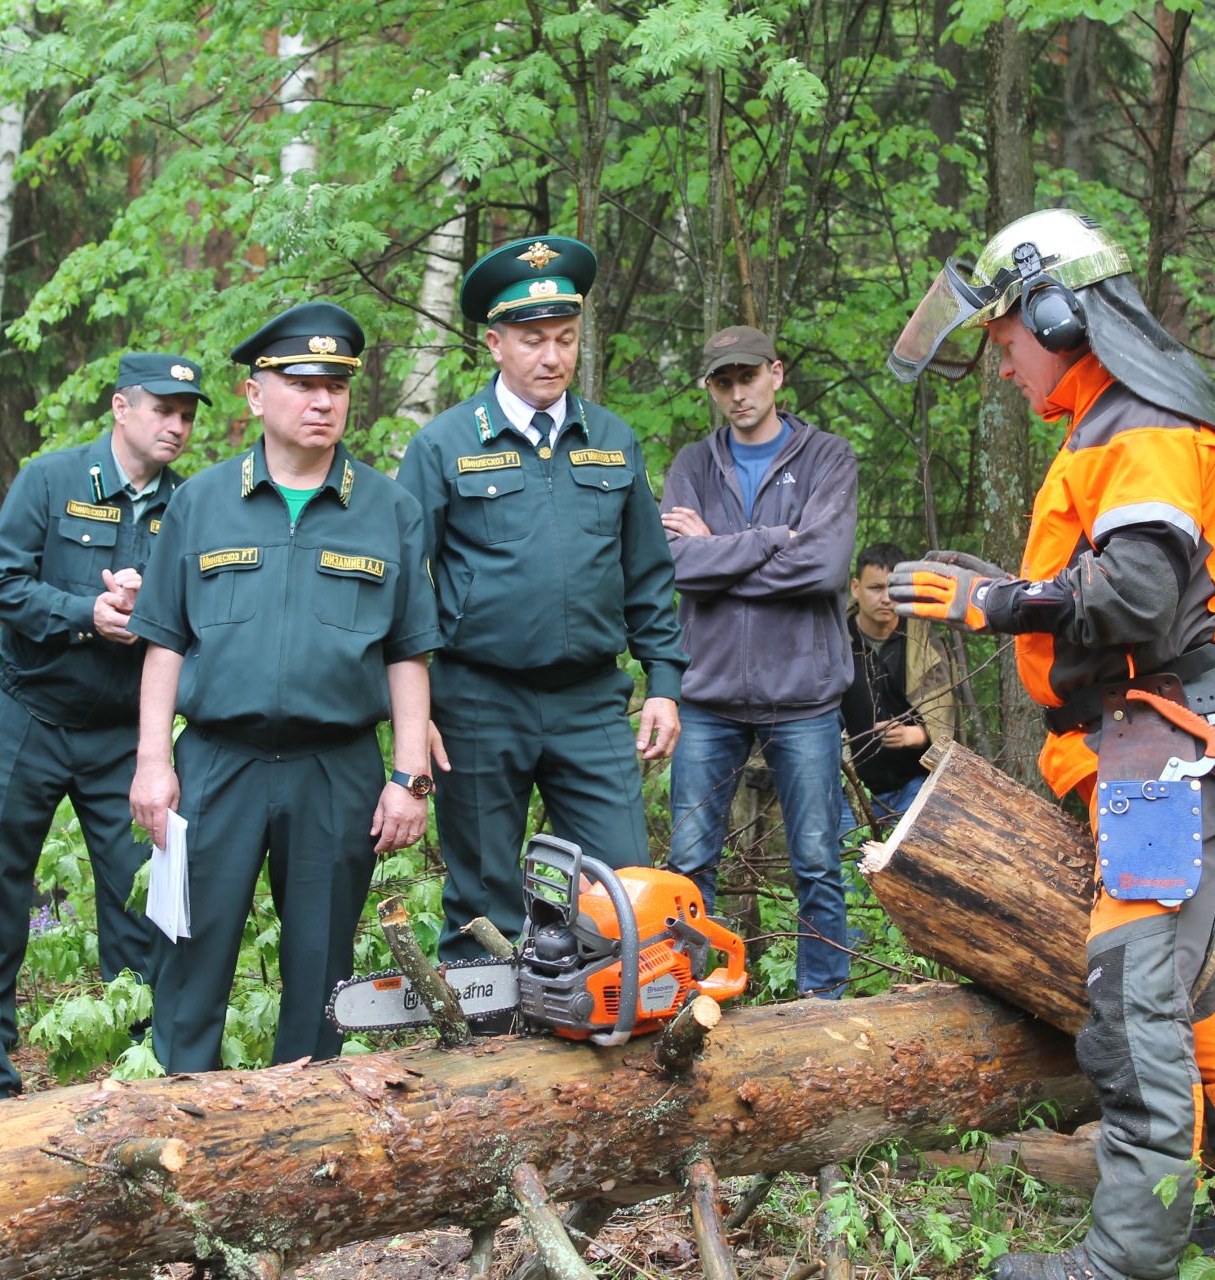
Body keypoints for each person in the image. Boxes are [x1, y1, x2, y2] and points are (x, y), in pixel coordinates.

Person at [885, 208, 1215, 1279]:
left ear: (1057, 313)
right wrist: (1010, 593)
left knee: (1133, 1000)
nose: (1004, 370)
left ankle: (1130, 1254)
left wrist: (998, 600)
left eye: (1006, 344)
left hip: (1165, 753)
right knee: (1180, 978)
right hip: (1138, 747)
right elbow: (1108, 590)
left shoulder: (1143, 429)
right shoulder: (1109, 427)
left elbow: (1134, 595)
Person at [129, 302, 440, 1069]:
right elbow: (164, 640)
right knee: (190, 958)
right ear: (255, 395)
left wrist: (409, 776)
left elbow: (408, 652)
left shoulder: (388, 509)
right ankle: (185, 1117)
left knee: (320, 970)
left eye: (335, 385)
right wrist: (151, 762)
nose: (322, 400)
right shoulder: (200, 502)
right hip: (216, 765)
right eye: (302, 383)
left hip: (334, 769)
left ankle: (305, 1139)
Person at [397, 236, 686, 967]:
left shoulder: (612, 441)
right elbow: (404, 584)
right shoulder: (444, 445)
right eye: (532, 341)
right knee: (483, 901)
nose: (551, 357)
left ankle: (602, 1046)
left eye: (565, 338)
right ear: (495, 344)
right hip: (477, 703)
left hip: (590, 703)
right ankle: (483, 1059)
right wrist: (416, 709)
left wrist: (665, 684)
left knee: (620, 888)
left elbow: (647, 574)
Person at [0, 353, 203, 1100]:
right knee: (1, 891)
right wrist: (85, 612)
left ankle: (138, 1065)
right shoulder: (52, 479)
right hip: (30, 716)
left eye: (188, 413)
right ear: (120, 407)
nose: (176, 425)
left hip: (126, 737)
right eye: (162, 409)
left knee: (137, 897)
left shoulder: (192, 504)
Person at [659, 325, 858, 999]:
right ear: (710, 388)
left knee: (816, 862)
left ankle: (821, 1005)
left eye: (748, 377)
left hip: (803, 695)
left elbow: (825, 569)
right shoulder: (693, 463)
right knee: (689, 866)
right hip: (708, 694)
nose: (737, 394)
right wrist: (772, 541)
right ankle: (690, 996)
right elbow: (679, 565)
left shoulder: (828, 457)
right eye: (723, 382)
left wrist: (721, 549)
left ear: (776, 373)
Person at [839, 542, 956, 825]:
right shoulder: (836, 641)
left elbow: (944, 717)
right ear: (856, 588)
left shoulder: (923, 643)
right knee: (845, 866)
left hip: (913, 784)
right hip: (847, 788)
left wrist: (916, 735)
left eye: (893, 588)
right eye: (875, 588)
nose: (886, 598)